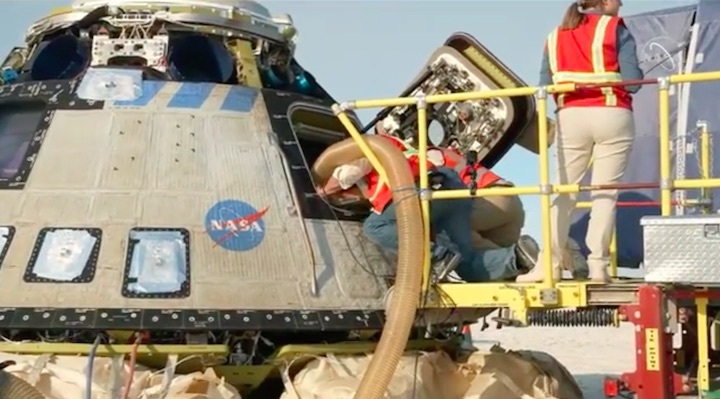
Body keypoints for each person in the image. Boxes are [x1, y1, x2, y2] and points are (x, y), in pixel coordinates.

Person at [518, 0, 643, 283]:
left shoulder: (554, 36)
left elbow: (543, 87)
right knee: (604, 194)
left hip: (570, 118)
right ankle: (598, 266)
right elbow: (633, 83)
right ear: (605, 1)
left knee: (562, 193)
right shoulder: (615, 29)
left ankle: (547, 266)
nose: (621, 3)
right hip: (613, 114)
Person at [316, 129, 539, 283]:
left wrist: (323, 190)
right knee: (466, 262)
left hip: (450, 193)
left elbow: (348, 174)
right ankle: (518, 257)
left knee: (374, 227)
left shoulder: (375, 148)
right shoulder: (402, 160)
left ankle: (439, 257)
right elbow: (360, 190)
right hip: (490, 198)